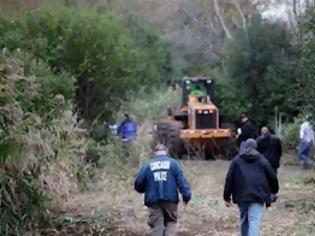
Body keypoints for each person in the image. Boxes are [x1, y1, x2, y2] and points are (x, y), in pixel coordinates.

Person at [223, 139, 279, 236]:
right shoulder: (262, 160)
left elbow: (229, 179)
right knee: (254, 220)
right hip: (258, 195)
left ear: (245, 147)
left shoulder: (236, 160)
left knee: (244, 219)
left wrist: (227, 196)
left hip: (241, 196)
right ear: (256, 147)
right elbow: (272, 177)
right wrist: (274, 191)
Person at [135, 144, 191, 236]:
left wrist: (143, 190)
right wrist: (186, 197)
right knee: (171, 222)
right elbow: (182, 182)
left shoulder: (148, 165)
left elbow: (138, 183)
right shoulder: (174, 164)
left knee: (157, 225)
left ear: (155, 153)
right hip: (171, 200)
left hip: (153, 201)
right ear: (165, 152)